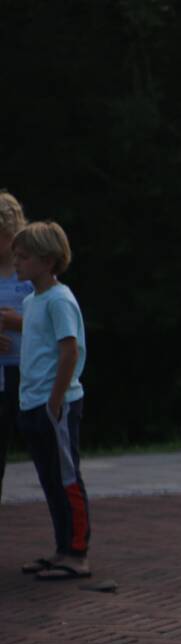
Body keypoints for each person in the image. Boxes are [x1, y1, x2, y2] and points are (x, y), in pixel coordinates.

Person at [13, 220, 91, 579]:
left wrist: (56, 400)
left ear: (47, 261)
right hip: (32, 403)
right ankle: (61, 547)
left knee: (66, 477)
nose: (16, 263)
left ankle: (77, 552)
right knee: (48, 478)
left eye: (23, 257)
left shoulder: (60, 299)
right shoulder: (33, 300)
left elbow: (69, 350)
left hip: (55, 405)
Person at [0, 191, 31, 501]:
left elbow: (50, 324)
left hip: (26, 369)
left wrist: (18, 323)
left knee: (38, 442)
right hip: (0, 373)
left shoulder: (29, 273)